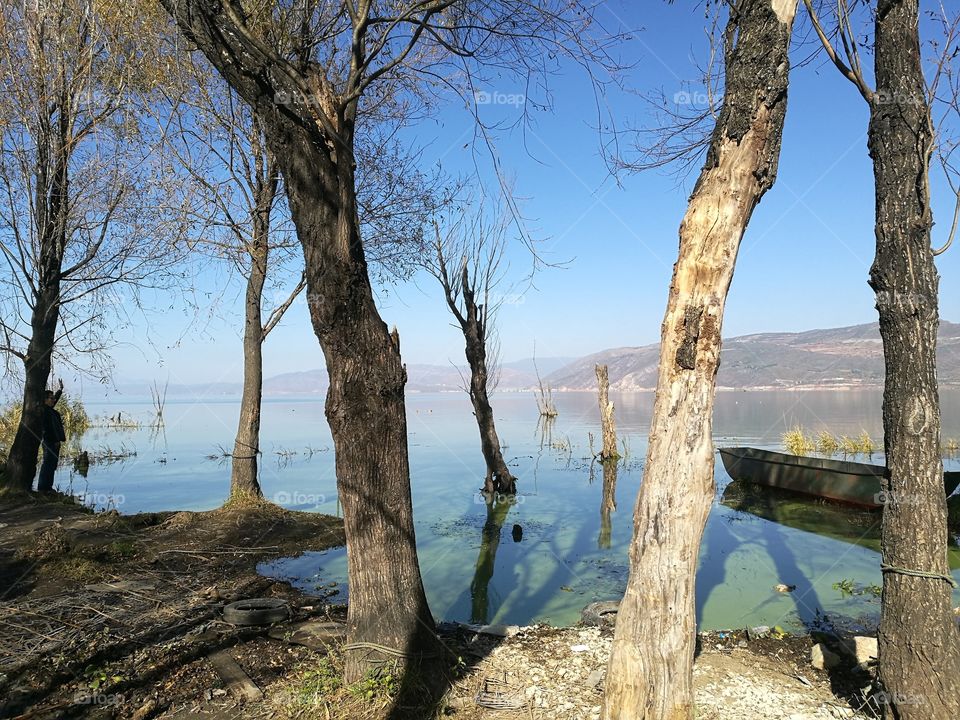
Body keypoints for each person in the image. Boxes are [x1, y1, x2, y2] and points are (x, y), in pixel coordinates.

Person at [37, 379, 65, 493]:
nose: (54, 400)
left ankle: (48, 487)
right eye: (51, 398)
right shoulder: (44, 411)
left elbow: (55, 400)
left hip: (55, 442)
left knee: (52, 465)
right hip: (49, 442)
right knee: (47, 464)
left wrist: (60, 390)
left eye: (54, 398)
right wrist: (54, 440)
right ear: (45, 400)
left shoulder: (50, 409)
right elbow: (47, 430)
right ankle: (43, 488)